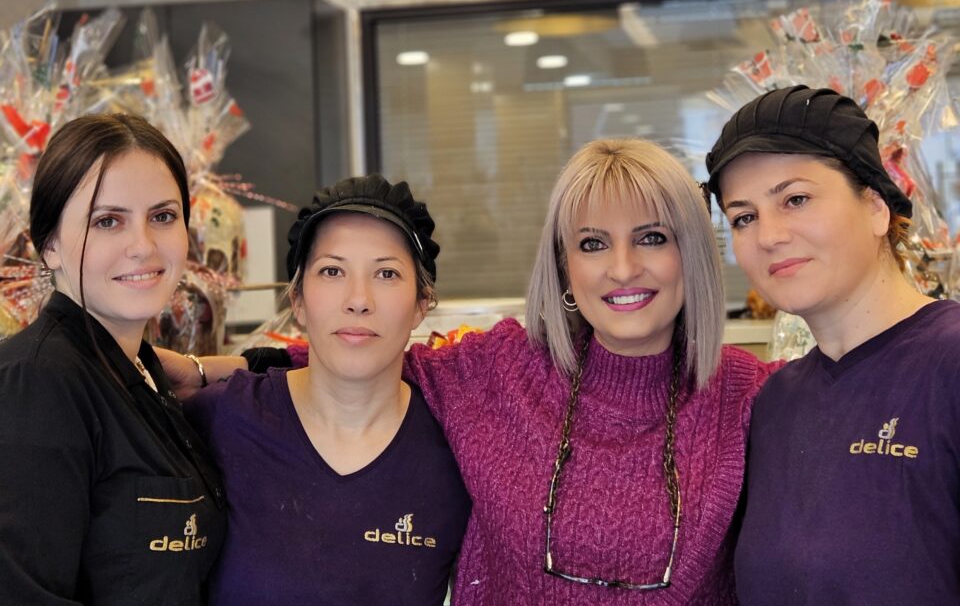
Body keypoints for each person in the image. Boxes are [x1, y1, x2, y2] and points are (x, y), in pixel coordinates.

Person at [170, 141, 773, 603]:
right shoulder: (501, 371)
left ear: (692, 253)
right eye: (592, 243)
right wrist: (212, 369)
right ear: (564, 266)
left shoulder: (751, 397)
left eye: (652, 238)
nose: (621, 268)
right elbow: (362, 353)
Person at [705, 84, 960, 605]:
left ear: (877, 206)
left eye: (795, 199)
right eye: (744, 217)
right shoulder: (775, 403)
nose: (769, 235)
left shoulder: (949, 364)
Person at [181, 175, 471, 606]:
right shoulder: (222, 420)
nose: (358, 299)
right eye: (332, 271)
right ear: (297, 300)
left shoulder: (457, 455)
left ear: (421, 305)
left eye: (387, 273)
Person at [0, 113, 225, 606]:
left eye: (163, 216)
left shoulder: (139, 370)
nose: (143, 246)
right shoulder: (36, 385)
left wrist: (214, 369)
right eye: (108, 221)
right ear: (49, 244)